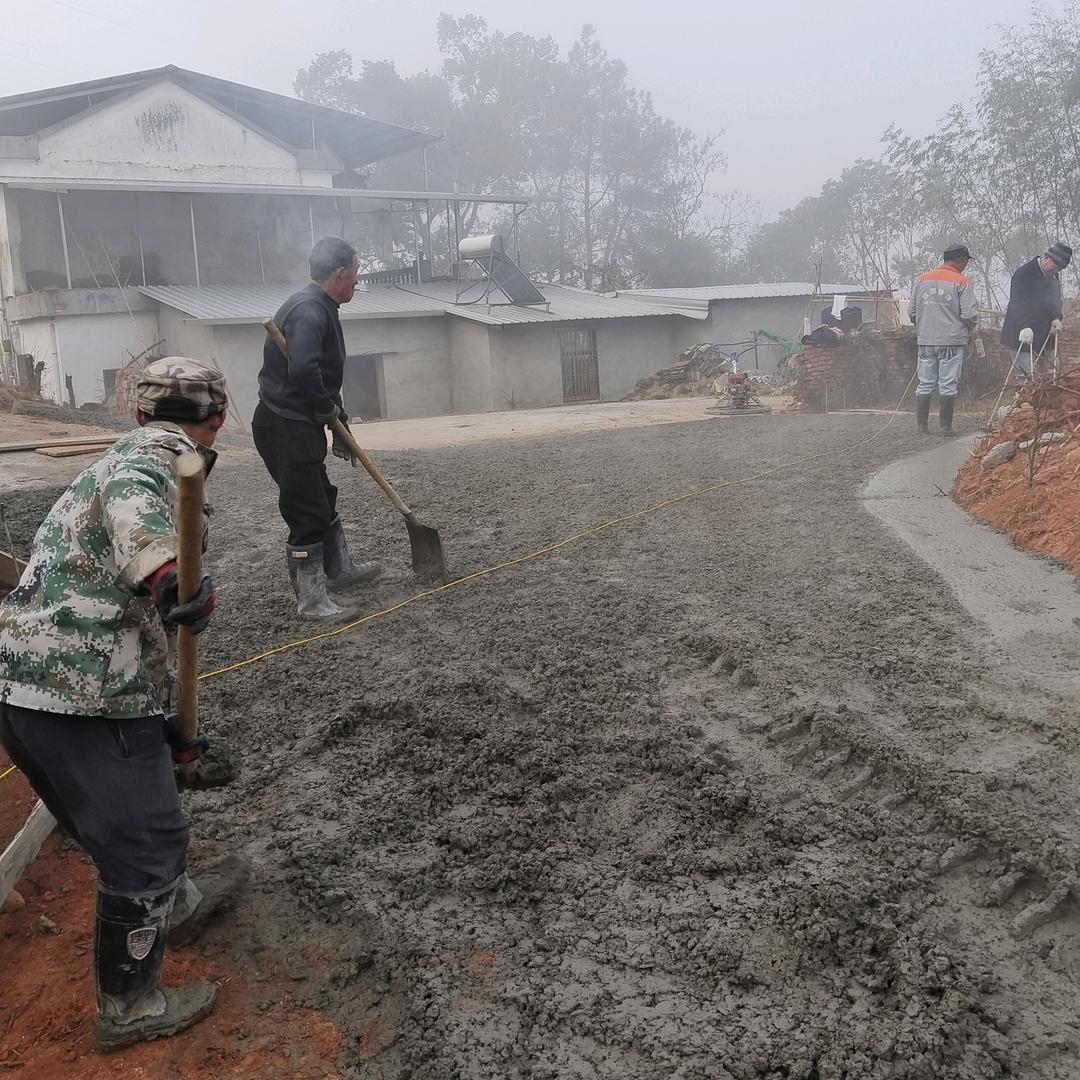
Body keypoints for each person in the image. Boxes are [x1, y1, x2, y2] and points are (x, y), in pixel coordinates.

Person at [0, 359, 248, 1053]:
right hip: (77, 698)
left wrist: (166, 727)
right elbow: (135, 508)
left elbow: (125, 622)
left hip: (36, 690)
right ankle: (129, 1006)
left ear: (137, 411)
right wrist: (169, 572)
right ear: (218, 416)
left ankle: (177, 902)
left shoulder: (121, 450)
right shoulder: (153, 459)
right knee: (144, 849)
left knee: (134, 815)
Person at [253, 237, 381, 619]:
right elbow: (304, 369)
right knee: (307, 508)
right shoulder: (310, 310)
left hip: (297, 422)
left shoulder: (318, 305)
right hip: (284, 426)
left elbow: (320, 374)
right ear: (339, 274)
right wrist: (327, 410)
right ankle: (311, 601)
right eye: (356, 274)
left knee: (322, 496)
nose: (357, 282)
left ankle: (339, 570)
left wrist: (336, 416)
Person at [908, 244, 979, 435]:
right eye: (965, 261)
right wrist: (968, 328)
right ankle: (945, 426)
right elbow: (970, 315)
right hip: (951, 341)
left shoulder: (922, 279)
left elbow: (912, 313)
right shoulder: (961, 281)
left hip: (925, 341)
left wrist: (925, 325)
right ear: (960, 260)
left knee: (925, 382)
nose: (965, 265)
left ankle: (922, 426)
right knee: (947, 383)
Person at [1001, 241, 1071, 375]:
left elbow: (1055, 299)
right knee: (1026, 375)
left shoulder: (1053, 276)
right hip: (1021, 332)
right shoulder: (1023, 274)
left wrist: (1056, 317)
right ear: (1047, 258)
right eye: (1056, 267)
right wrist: (1024, 326)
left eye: (1059, 269)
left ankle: (1050, 395)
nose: (1057, 271)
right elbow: (1017, 303)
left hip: (1045, 332)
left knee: (1052, 371)